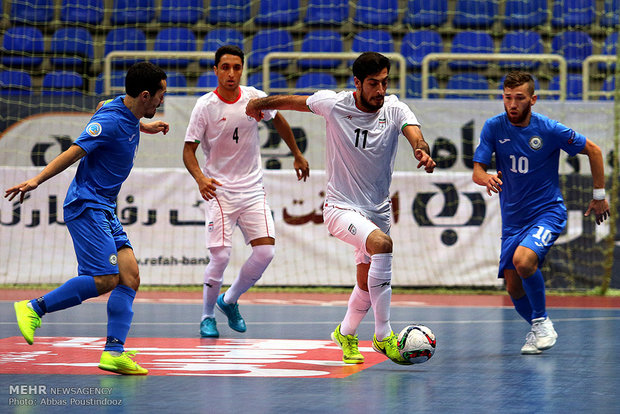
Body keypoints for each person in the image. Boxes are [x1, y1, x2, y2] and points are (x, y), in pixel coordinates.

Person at [246, 52, 436, 365]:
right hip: (340, 208)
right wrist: (259, 104)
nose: (380, 90)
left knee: (366, 284)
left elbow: (416, 136)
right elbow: (293, 101)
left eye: (384, 83)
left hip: (377, 210)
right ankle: (383, 335)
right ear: (357, 83)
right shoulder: (334, 105)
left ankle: (346, 333)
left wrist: (421, 151)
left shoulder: (395, 108)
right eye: (373, 84)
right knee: (383, 246)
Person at [5, 61, 169, 375]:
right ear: (146, 95)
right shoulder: (108, 123)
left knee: (130, 276)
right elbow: (74, 151)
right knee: (105, 279)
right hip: (86, 204)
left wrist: (146, 126)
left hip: (105, 206)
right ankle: (33, 308)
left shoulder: (122, 107)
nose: (162, 101)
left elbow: (104, 105)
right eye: (161, 95)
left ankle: (113, 353)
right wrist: (36, 181)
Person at [472, 70, 610, 355]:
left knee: (524, 262)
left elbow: (594, 151)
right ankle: (537, 327)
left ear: (532, 100)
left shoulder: (548, 129)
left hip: (547, 212)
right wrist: (485, 178)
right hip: (513, 220)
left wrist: (599, 196)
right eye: (508, 98)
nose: (512, 104)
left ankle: (541, 321)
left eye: (519, 98)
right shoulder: (494, 127)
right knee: (512, 286)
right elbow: (477, 171)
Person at [183, 45, 309, 338]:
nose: (231, 73)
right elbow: (188, 151)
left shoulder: (254, 97)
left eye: (236, 67)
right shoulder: (205, 106)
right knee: (221, 257)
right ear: (215, 70)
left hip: (252, 189)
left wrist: (297, 153)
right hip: (220, 192)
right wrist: (201, 178)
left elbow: (278, 119)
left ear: (242, 69)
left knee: (265, 252)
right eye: (225, 67)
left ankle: (229, 300)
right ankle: (206, 316)